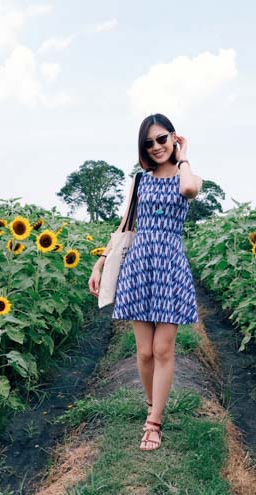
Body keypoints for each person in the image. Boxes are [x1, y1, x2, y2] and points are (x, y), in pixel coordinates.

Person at [88, 113, 202, 451]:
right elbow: (125, 226)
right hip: (139, 265)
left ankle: (154, 423)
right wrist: (101, 262)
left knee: (163, 349)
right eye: (149, 142)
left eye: (162, 139)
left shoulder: (188, 175)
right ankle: (152, 405)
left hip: (169, 265)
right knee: (143, 351)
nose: (156, 147)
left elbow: (189, 189)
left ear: (174, 138)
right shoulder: (140, 181)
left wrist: (183, 157)